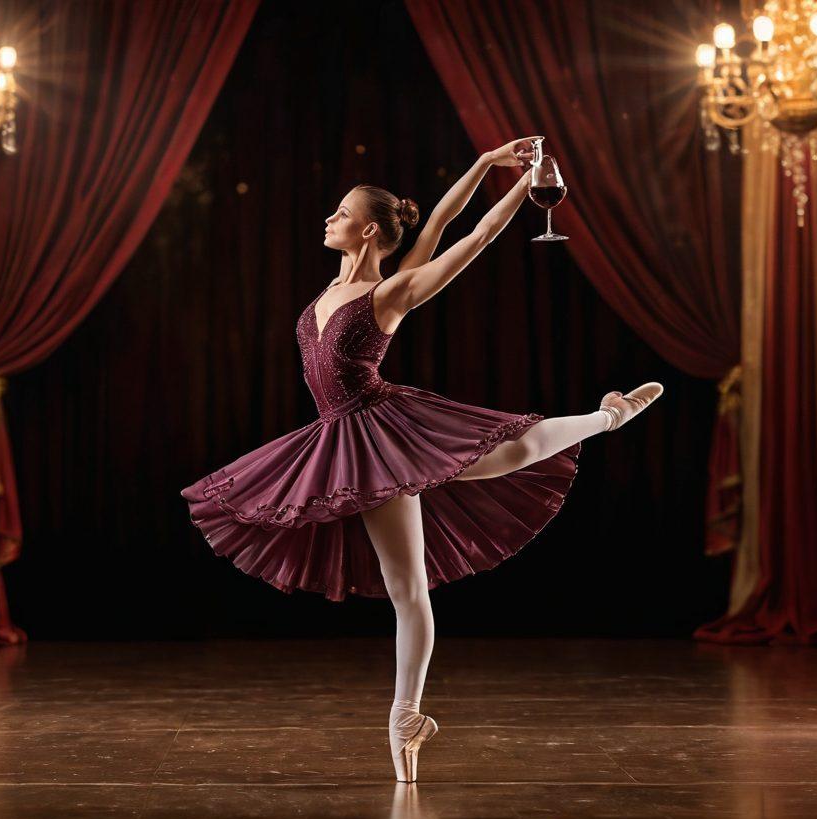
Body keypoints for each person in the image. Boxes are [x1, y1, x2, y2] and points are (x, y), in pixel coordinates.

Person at [180, 137, 663, 782]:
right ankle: (405, 723)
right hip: (343, 440)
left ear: (369, 229)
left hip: (389, 426)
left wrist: (526, 186)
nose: (328, 219)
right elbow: (435, 221)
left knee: (513, 451)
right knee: (407, 590)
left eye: (341, 211)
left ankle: (609, 416)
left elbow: (475, 234)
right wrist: (486, 163)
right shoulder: (330, 290)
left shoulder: (392, 292)